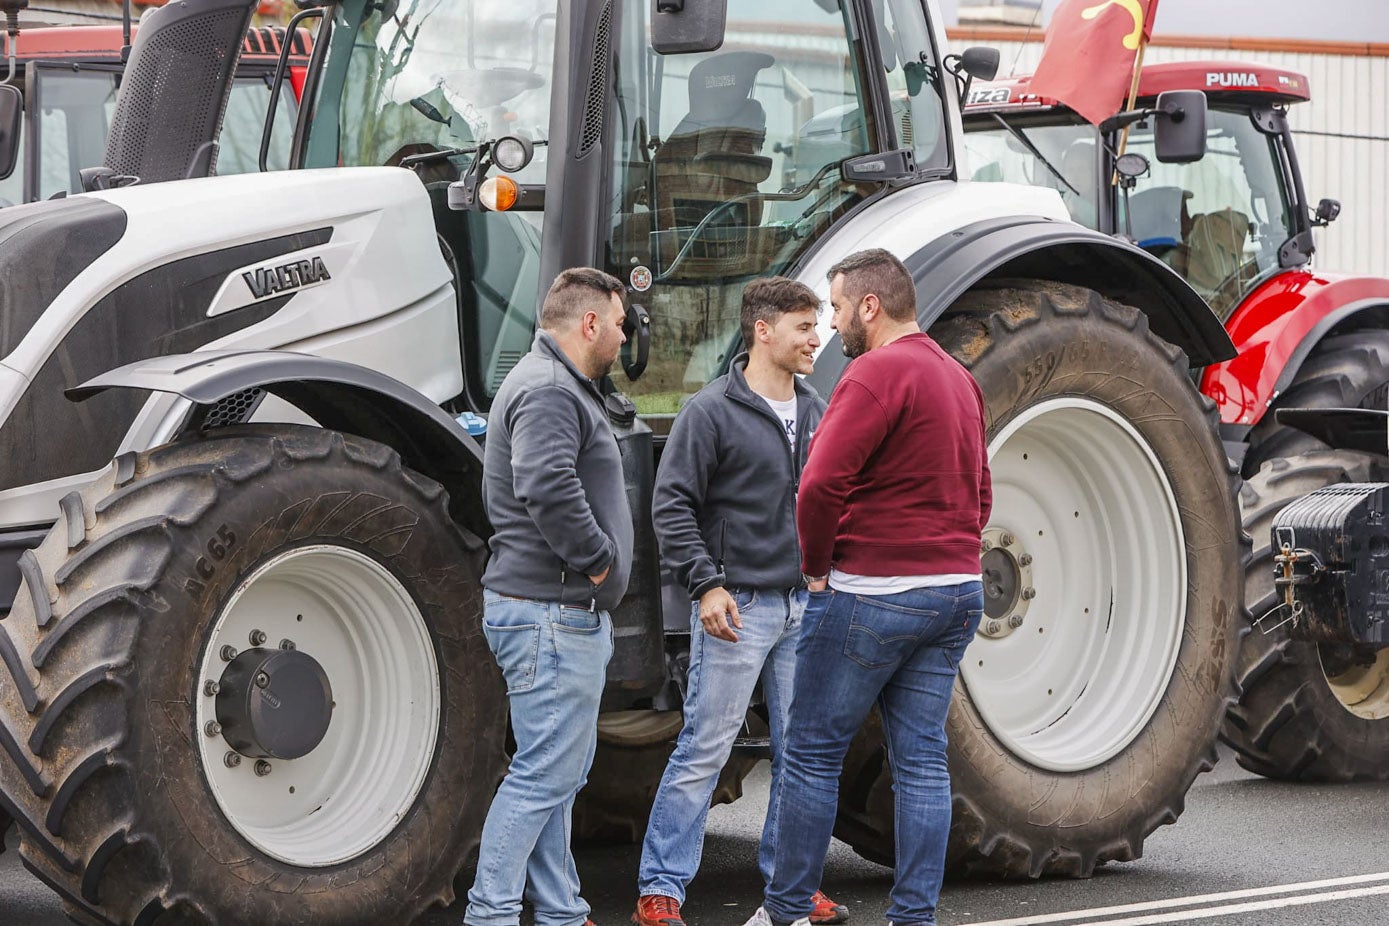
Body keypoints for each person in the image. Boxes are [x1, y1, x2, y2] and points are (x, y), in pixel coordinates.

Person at [744, 249, 992, 926]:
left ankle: (787, 909)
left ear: (869, 306)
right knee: (920, 761)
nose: (832, 321)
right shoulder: (956, 377)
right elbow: (981, 491)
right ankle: (912, 917)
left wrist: (817, 565)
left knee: (812, 754)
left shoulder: (875, 373)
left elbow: (820, 483)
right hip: (954, 591)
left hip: (873, 591)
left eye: (835, 306)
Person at [634, 278, 848, 926]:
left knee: (800, 753)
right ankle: (659, 890)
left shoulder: (816, 410)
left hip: (803, 608)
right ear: (763, 330)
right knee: (704, 746)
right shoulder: (711, 410)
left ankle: (791, 888)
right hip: (738, 608)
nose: (816, 338)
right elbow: (671, 504)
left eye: (817, 326)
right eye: (803, 327)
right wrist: (705, 583)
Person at [466, 268, 634, 926]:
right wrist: (597, 561)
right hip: (551, 612)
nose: (624, 337)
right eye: (619, 323)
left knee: (556, 776)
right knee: (542, 777)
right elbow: (544, 483)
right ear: (589, 323)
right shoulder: (547, 390)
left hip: (549, 611)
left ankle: (562, 912)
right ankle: (492, 915)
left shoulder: (550, 382)